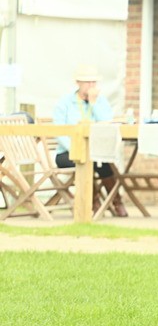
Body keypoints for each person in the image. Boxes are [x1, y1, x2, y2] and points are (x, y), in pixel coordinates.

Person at [52, 64, 126, 216]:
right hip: (68, 152)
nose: (91, 86)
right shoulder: (64, 103)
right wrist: (75, 148)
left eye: (94, 82)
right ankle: (93, 202)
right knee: (85, 161)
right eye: (88, 82)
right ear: (78, 83)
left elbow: (107, 123)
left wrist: (94, 104)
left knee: (106, 164)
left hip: (95, 150)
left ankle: (116, 201)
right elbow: (59, 132)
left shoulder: (101, 101)